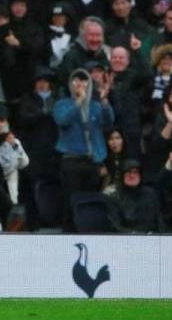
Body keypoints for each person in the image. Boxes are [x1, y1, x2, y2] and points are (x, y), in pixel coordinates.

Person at [53, 68, 114, 231]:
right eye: (76, 80)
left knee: (91, 199)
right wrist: (78, 103)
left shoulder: (96, 105)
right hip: (71, 160)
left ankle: (90, 230)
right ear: (70, 84)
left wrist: (105, 103)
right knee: (71, 199)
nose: (80, 84)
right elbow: (62, 120)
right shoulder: (62, 104)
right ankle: (69, 232)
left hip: (92, 159)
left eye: (84, 81)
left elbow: (109, 122)